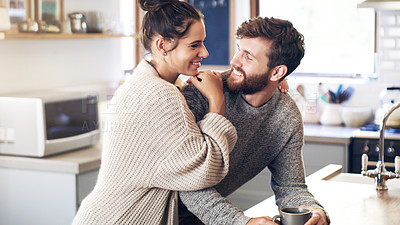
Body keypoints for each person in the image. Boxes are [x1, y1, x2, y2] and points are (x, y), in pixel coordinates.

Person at [72, 0, 238, 224]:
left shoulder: (153, 84)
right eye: (194, 45)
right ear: (162, 46)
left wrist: (269, 80)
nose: (205, 52)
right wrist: (216, 100)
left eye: (203, 43)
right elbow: (208, 168)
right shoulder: (159, 94)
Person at [179, 17, 330, 225]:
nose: (234, 61)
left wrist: (313, 211)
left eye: (248, 57)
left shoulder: (286, 116)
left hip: (199, 218)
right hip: (157, 213)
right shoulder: (201, 92)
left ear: (277, 72)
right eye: (239, 49)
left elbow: (290, 186)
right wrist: (242, 222)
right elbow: (186, 180)